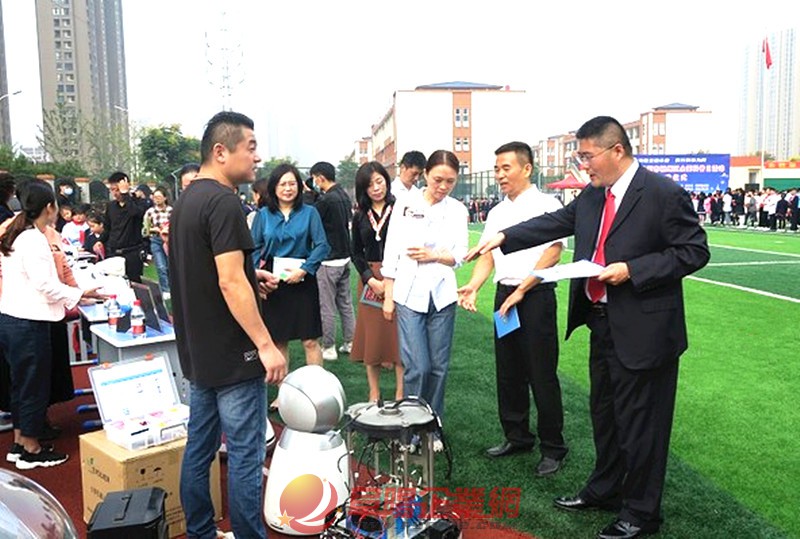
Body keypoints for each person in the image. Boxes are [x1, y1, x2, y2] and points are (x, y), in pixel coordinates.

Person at [468, 116, 709, 539]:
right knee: (606, 415)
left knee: (642, 425)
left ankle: (641, 514)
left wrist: (632, 269)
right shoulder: (593, 196)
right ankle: (605, 489)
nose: (583, 165)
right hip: (602, 322)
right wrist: (503, 237)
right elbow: (553, 223)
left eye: (587, 156)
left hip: (646, 330)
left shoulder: (661, 193)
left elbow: (693, 251)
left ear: (616, 150)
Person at [169, 111, 287, 539]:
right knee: (244, 453)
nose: (257, 157)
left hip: (200, 353)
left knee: (199, 448)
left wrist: (251, 276)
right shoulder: (223, 202)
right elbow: (228, 280)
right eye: (250, 147)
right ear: (221, 152)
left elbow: (213, 269)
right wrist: (266, 344)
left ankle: (200, 531)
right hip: (234, 355)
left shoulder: (186, 200)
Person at [457, 141, 568, 477]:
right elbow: (488, 256)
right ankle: (517, 436)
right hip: (504, 297)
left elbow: (553, 252)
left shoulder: (548, 205)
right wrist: (474, 285)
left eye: (506, 168)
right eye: (496, 169)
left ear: (527, 168)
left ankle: (553, 447)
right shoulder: (497, 212)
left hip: (534, 296)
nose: (500, 175)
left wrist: (522, 290)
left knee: (541, 373)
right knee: (508, 370)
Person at [0, 179, 102, 469]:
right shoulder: (32, 239)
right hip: (28, 321)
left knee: (22, 385)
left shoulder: (19, 233)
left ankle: (21, 441)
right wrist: (80, 294)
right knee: (33, 386)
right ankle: (31, 449)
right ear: (49, 207)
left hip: (13, 318)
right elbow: (44, 283)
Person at [382, 149, 468, 449]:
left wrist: (435, 255)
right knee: (417, 365)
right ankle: (410, 427)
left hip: (442, 296)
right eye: (437, 179)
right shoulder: (406, 204)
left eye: (450, 181)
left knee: (438, 366)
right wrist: (388, 295)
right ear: (426, 175)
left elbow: (460, 254)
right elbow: (392, 250)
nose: (443, 187)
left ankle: (432, 427)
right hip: (408, 294)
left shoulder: (457, 210)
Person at [251, 163, 330, 369]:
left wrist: (304, 269)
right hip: (272, 282)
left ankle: (315, 385)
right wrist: (257, 277)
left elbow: (322, 245)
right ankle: (282, 386)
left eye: (292, 184)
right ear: (274, 187)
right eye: (283, 184)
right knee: (279, 340)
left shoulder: (310, 213)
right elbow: (253, 248)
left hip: (303, 278)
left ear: (299, 186)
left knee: (310, 340)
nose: (288, 188)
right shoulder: (263, 215)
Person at [350, 161, 402, 402]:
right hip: (370, 279)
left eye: (379, 181)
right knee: (371, 337)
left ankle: (401, 392)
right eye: (370, 185)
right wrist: (370, 280)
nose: (376, 188)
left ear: (386, 181)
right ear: (363, 189)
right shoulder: (360, 215)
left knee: (399, 337)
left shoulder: (401, 209)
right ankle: (374, 392)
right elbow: (355, 252)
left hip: (399, 277)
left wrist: (391, 281)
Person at [311, 161, 356, 361]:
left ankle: (328, 347)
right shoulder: (343, 196)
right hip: (344, 257)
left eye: (314, 178)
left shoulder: (326, 200)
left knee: (327, 306)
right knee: (345, 304)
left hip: (329, 260)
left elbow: (312, 219)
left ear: (320, 177)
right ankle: (350, 342)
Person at [101, 171, 147, 282]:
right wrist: (100, 241)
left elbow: (135, 213)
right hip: (113, 252)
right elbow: (108, 228)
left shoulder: (139, 203)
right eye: (112, 190)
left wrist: (126, 195)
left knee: (133, 284)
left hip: (132, 253)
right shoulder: (111, 206)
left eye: (118, 190)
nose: (115, 193)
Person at [143, 187, 173, 294]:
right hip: (156, 240)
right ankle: (165, 291)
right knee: (161, 267)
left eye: (159, 197)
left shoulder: (171, 211)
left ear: (165, 198)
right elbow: (144, 230)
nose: (157, 199)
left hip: (169, 241)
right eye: (155, 197)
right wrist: (153, 229)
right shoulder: (150, 212)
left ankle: (173, 289)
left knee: (170, 267)